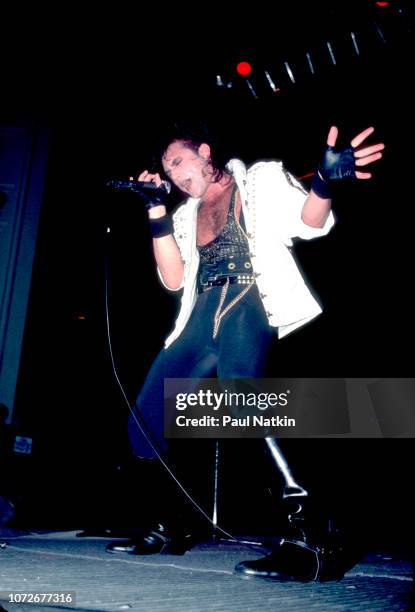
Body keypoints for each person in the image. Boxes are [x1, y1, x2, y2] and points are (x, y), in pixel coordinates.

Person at [106, 121, 384, 582]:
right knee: (143, 421)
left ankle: (314, 540)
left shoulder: (258, 180)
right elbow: (174, 280)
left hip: (247, 295)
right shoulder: (183, 214)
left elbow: (309, 223)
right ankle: (170, 525)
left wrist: (324, 181)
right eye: (167, 170)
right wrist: (156, 209)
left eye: (178, 161)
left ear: (204, 152)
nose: (174, 174)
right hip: (199, 314)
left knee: (243, 400)